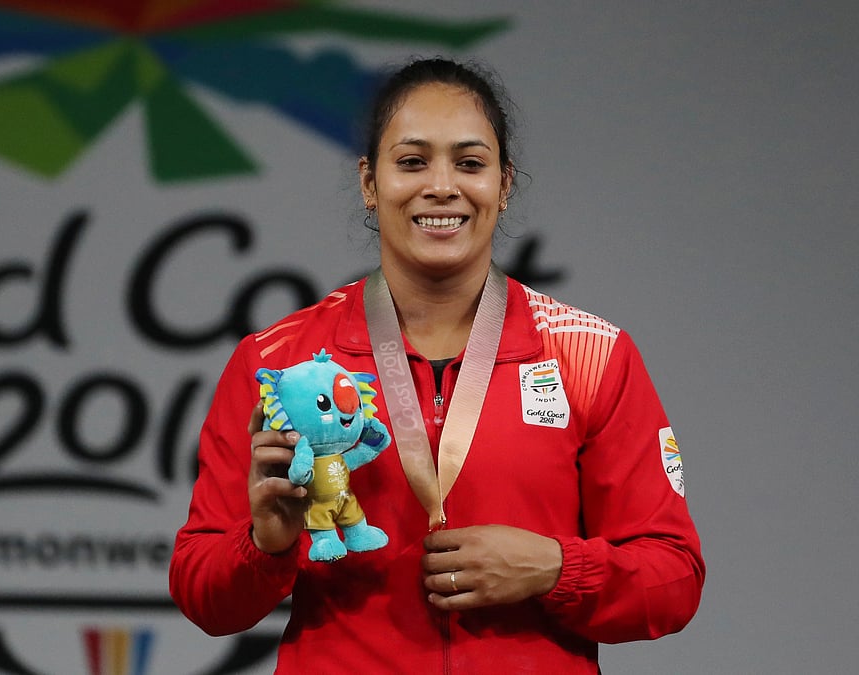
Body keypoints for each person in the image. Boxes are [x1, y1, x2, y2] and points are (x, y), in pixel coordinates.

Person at [169, 57, 704, 673]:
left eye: (470, 163)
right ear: (370, 183)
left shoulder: (591, 355)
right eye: (412, 161)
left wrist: (554, 568)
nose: (443, 186)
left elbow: (673, 577)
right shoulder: (278, 361)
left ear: (505, 184)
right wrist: (266, 545)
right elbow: (202, 594)